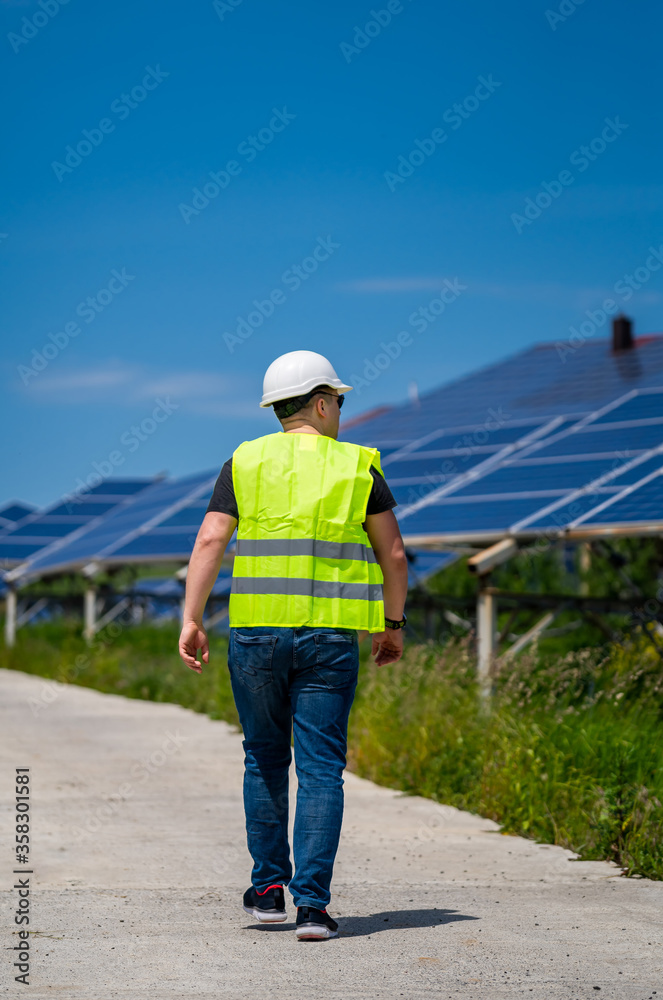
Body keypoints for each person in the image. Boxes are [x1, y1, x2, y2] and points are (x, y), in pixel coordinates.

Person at [179, 350, 408, 941]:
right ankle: (313, 908)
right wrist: (392, 624)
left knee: (263, 758)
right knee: (322, 769)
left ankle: (268, 893)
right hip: (330, 637)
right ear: (324, 401)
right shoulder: (359, 467)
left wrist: (192, 618)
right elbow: (395, 555)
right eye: (339, 402)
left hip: (255, 634)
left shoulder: (245, 461)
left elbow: (210, 540)